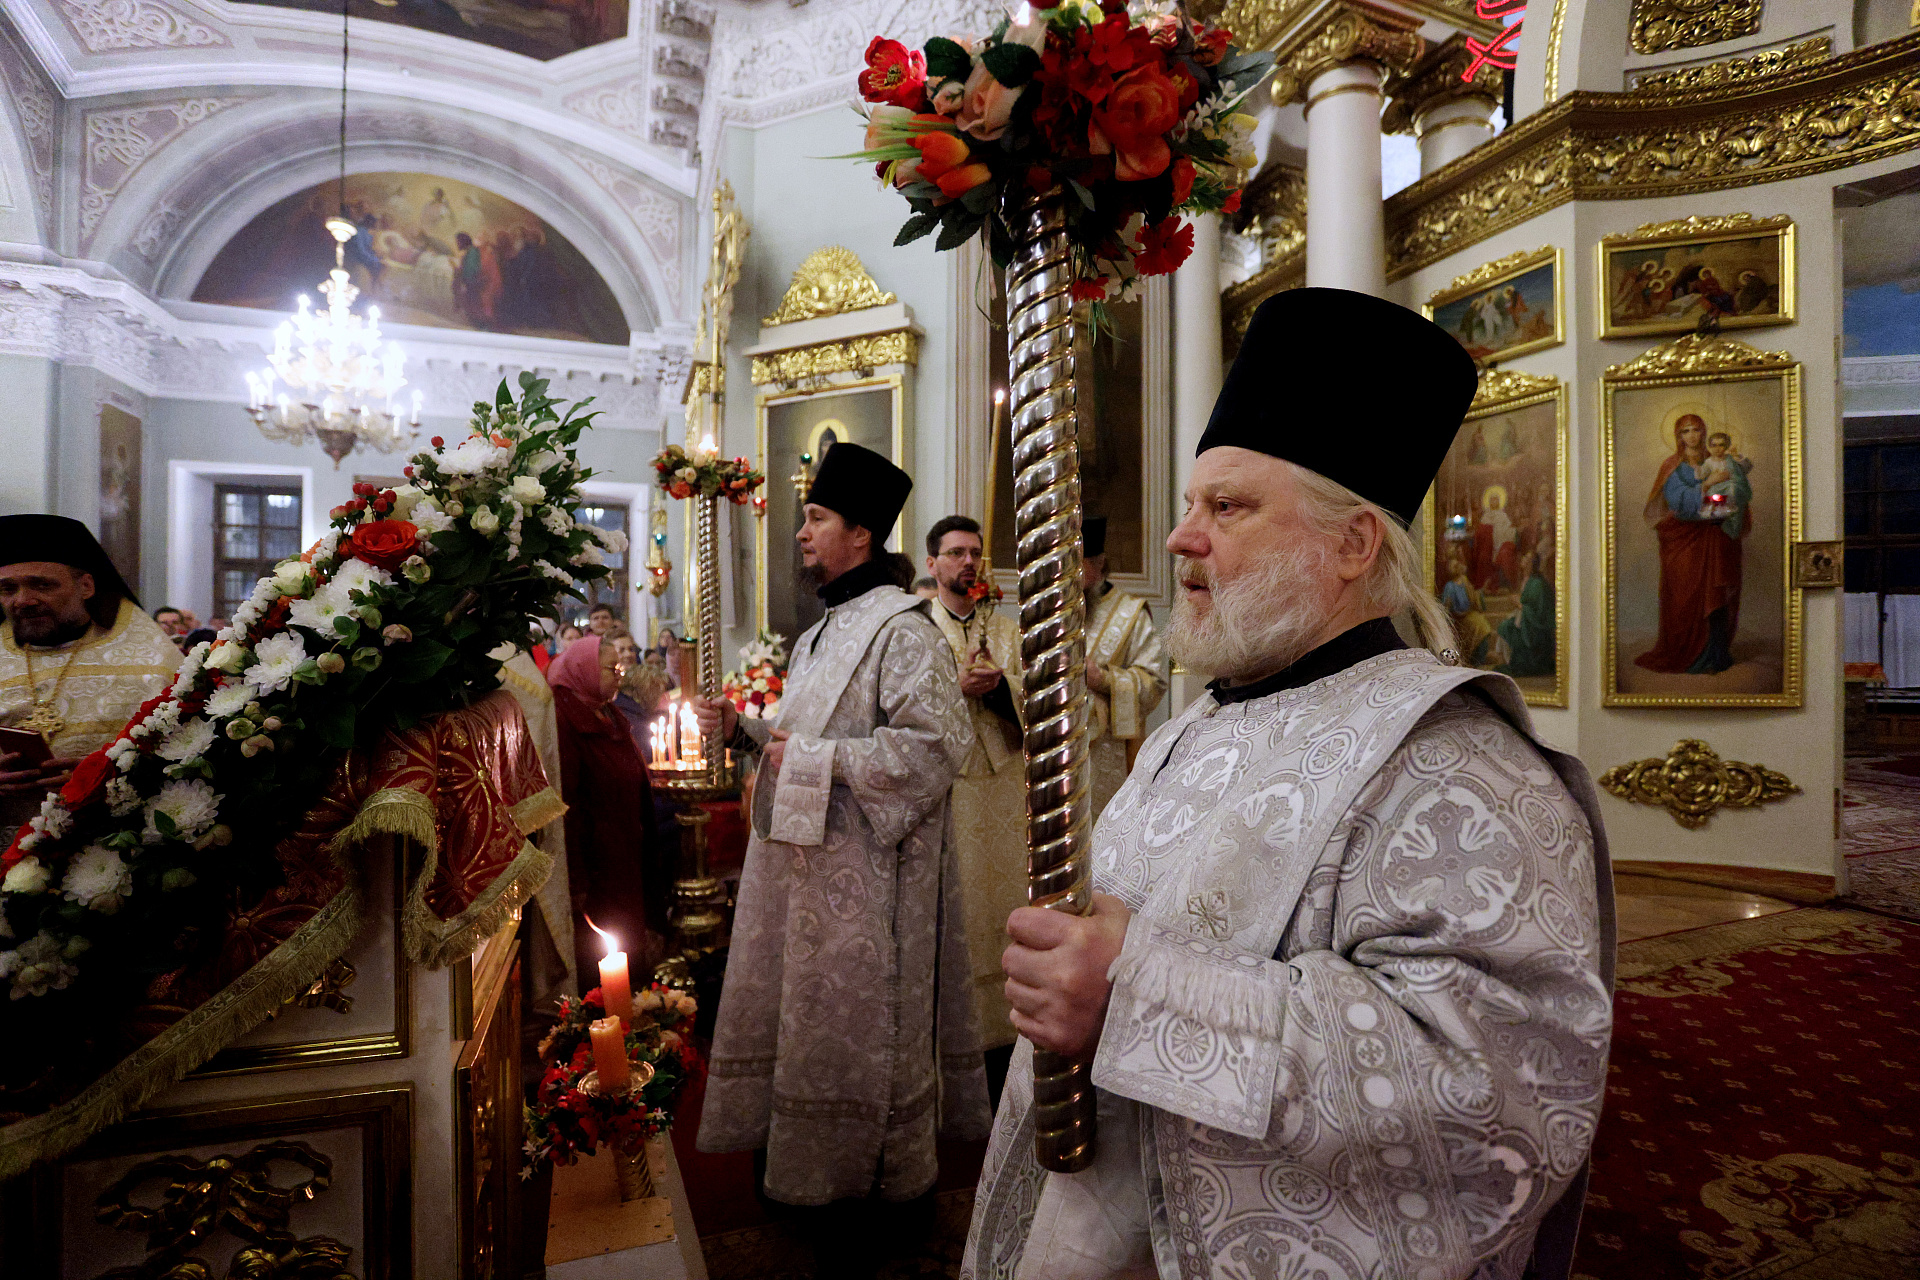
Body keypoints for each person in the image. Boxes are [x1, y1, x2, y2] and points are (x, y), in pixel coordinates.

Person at [964, 289, 1613, 1280]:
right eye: (1191, 504)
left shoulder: (1461, 768)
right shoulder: (1201, 721)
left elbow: (1506, 1090)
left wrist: (1138, 992)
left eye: (1226, 507)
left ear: (1353, 544)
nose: (1182, 537)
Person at [692, 443, 989, 1262]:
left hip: (872, 892)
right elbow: (803, 743)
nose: (802, 534)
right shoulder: (821, 634)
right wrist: (748, 732)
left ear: (860, 534)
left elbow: (937, 749)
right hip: (807, 880)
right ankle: (808, 1182)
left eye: (816, 518)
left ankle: (875, 1197)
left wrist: (812, 758)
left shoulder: (905, 631)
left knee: (866, 1045)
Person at [923, 514, 1026, 1103]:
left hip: (1005, 785)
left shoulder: (1007, 630)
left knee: (1004, 903)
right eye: (956, 553)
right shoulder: (917, 630)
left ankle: (1008, 1042)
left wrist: (1004, 688)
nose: (967, 563)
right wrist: (954, 691)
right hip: (952, 785)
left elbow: (1042, 697)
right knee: (958, 910)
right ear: (932, 564)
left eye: (976, 554)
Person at [1, 516, 182, 838]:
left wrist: (108, 773)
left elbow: (187, 759)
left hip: (113, 843)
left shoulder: (153, 663)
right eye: (7, 588)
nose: (22, 600)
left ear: (86, 586)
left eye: (42, 584)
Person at [545, 633, 665, 980]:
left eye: (620, 666)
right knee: (600, 960)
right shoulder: (564, 716)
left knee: (631, 954)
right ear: (582, 669)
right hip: (594, 868)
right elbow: (566, 801)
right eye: (610, 667)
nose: (619, 673)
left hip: (624, 853)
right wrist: (577, 879)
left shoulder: (609, 711)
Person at [1634, 412, 1751, 675]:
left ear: (1704, 433)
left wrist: (1731, 491)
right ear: (1678, 436)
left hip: (1717, 536)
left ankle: (1716, 655)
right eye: (1685, 431)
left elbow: (1740, 492)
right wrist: (1706, 485)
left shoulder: (1721, 461)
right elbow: (1675, 501)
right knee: (1685, 596)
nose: (1691, 436)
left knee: (1717, 593)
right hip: (1684, 541)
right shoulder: (1672, 466)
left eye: (1696, 430)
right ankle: (1684, 653)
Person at [1079, 516, 1166, 820]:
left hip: (1108, 754)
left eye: (1078, 563)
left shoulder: (1130, 612)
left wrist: (1102, 678)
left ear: (1099, 563)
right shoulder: (1052, 611)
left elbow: (1153, 683)